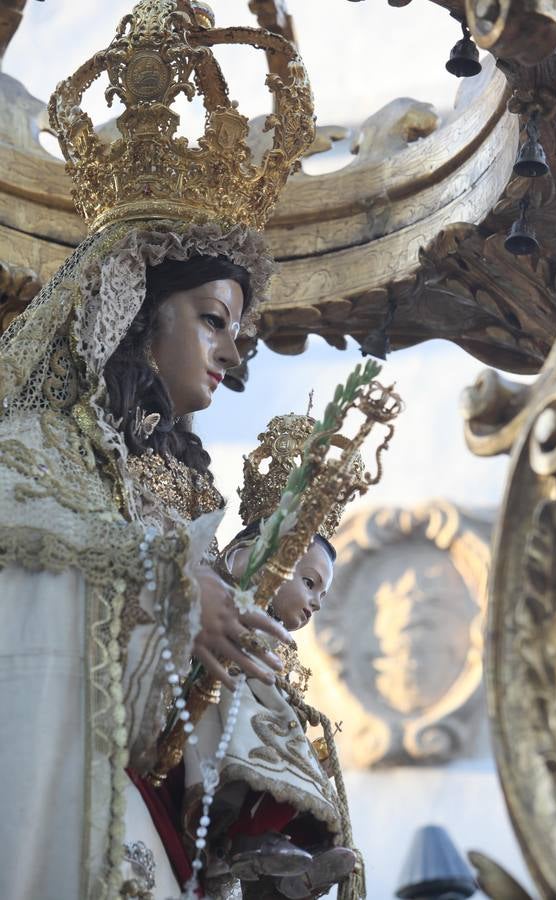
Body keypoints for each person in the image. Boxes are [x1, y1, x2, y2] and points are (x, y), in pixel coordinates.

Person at [0, 2, 315, 898]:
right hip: (67, 801)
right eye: (213, 320)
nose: (229, 351)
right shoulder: (34, 453)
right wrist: (169, 586)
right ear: (140, 317)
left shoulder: (179, 485)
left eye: (239, 333)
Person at [184, 415, 363, 900]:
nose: (314, 603)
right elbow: (237, 568)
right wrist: (258, 567)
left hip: (253, 695)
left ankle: (280, 862)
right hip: (211, 683)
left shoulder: (277, 649)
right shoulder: (229, 587)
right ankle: (244, 836)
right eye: (308, 582)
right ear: (264, 553)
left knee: (292, 756)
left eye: (321, 596)